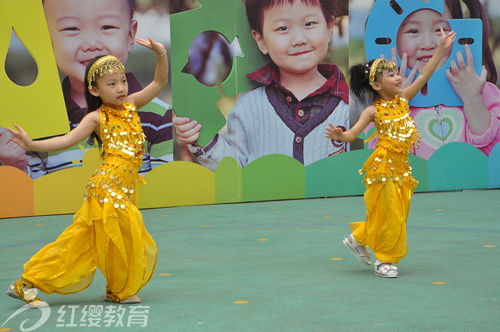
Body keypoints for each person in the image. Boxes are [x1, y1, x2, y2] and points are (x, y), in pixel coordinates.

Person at [5, 36, 167, 307]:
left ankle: (31, 284)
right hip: (107, 191)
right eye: (111, 84)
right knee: (121, 238)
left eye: (123, 81)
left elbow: (159, 82)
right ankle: (28, 283)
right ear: (94, 90)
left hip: (122, 191)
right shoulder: (96, 118)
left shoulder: (131, 107)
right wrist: (31, 144)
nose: (120, 88)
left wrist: (160, 53)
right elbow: (66, 140)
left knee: (86, 242)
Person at [326, 28, 456, 277]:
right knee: (391, 216)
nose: (397, 77)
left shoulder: (404, 98)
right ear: (376, 84)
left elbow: (426, 73)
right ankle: (384, 261)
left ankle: (357, 238)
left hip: (403, 169)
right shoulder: (372, 111)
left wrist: (440, 48)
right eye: (390, 75)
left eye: (396, 73)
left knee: (398, 215)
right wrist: (340, 136)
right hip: (383, 169)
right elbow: (352, 135)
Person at [0, 0, 173, 178]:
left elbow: (167, 190)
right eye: (72, 29)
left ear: (130, 36)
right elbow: (35, 198)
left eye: (107, 26)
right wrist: (16, 165)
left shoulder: (158, 116)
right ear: (47, 39)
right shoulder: (37, 123)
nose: (92, 43)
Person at [173, 0, 349, 171]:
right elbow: (234, 170)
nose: (299, 39)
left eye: (309, 23)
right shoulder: (249, 106)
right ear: (261, 40)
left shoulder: (350, 105)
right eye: (283, 28)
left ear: (328, 28)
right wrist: (202, 137)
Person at [366, 0, 500, 159]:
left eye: (440, 30)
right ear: (391, 37)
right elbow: (388, 161)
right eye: (414, 31)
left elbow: (493, 155)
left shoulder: (484, 92)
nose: (428, 44)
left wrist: (473, 98)